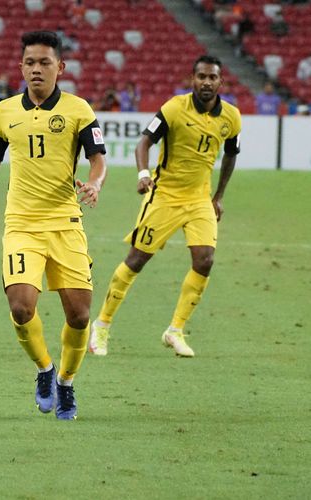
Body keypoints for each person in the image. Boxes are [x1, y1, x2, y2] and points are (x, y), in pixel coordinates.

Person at [0, 31, 107, 420]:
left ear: (60, 67)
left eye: (45, 62)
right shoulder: (5, 112)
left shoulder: (79, 110)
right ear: (21, 67)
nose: (37, 69)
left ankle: (66, 381)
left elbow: (97, 158)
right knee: (22, 306)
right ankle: (44, 369)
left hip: (65, 223)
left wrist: (95, 182)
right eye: (30, 63)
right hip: (22, 224)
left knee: (78, 316)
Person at [88, 55, 241, 358]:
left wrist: (218, 196)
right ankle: (102, 325)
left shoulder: (231, 117)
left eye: (212, 77)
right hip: (165, 197)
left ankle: (175, 330)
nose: (207, 82)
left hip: (199, 199)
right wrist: (144, 174)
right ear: (192, 79)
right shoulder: (173, 108)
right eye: (201, 77)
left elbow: (231, 154)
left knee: (205, 260)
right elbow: (144, 142)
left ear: (220, 81)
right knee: (136, 260)